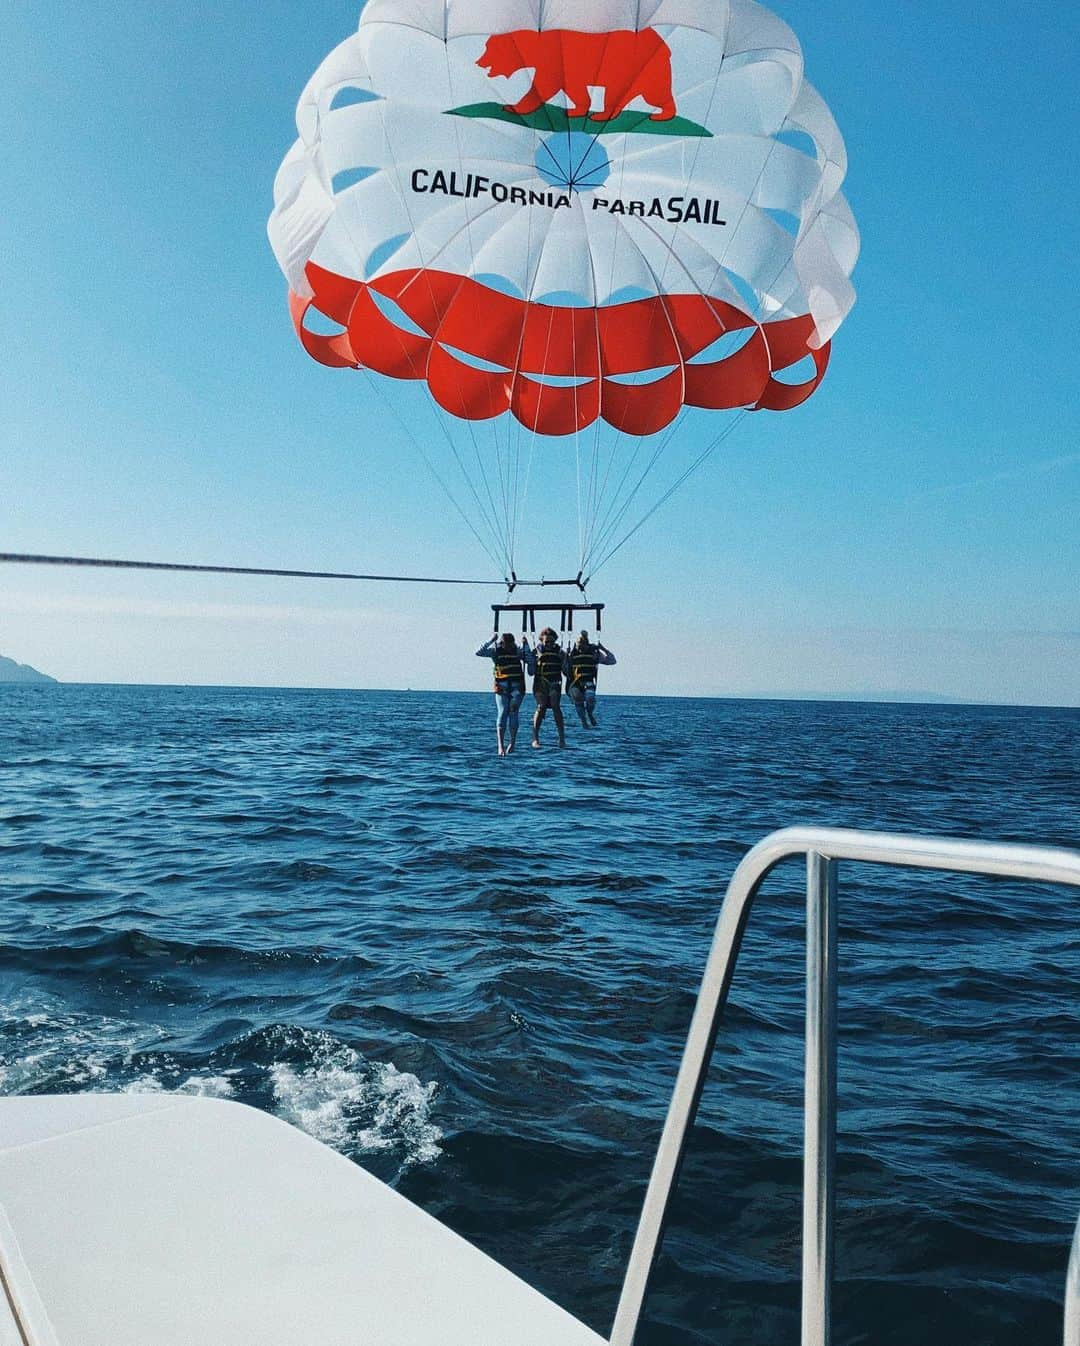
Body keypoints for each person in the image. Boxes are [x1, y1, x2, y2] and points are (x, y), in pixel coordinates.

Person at [476, 631, 534, 756]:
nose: (507, 647)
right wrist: (492, 639)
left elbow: (530, 660)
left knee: (513, 713)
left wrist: (526, 645)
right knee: (502, 713)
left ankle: (512, 743)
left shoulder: (518, 651)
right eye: (505, 644)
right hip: (501, 687)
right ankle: (500, 746)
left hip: (516, 688)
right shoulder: (495, 651)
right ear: (501, 643)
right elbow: (479, 652)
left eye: (510, 645)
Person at [566, 631, 616, 728]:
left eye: (582, 646)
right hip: (575, 683)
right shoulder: (572, 655)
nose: (580, 648)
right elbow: (565, 671)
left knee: (590, 698)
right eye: (578, 646)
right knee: (577, 698)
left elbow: (612, 660)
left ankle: (590, 714)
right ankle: (584, 721)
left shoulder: (593, 654)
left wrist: (603, 649)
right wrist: (566, 657)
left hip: (588, 681)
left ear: (586, 645)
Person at [530, 628, 567, 749]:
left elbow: (566, 672)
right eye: (547, 642)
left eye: (552, 642)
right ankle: (535, 738)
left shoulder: (560, 652)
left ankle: (561, 739)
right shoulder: (536, 652)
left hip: (555, 682)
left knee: (556, 706)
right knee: (541, 707)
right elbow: (530, 671)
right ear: (542, 641)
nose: (550, 644)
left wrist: (566, 659)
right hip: (540, 683)